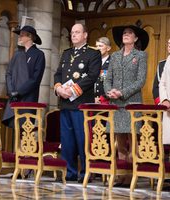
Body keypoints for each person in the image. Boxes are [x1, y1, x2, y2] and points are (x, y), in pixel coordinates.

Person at [54, 23, 101, 183]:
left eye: (77, 32)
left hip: (81, 103)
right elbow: (58, 74)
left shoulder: (93, 54)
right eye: (72, 32)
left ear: (85, 35)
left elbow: (92, 75)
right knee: (67, 140)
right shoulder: (66, 53)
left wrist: (72, 90)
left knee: (82, 139)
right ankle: (70, 172)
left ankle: (86, 172)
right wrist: (59, 89)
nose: (73, 35)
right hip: (65, 103)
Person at [104, 25, 149, 186]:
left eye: (130, 33)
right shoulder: (115, 56)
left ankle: (132, 176)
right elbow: (107, 78)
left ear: (136, 38)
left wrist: (121, 92)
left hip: (132, 103)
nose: (126, 35)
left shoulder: (141, 55)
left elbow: (140, 80)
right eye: (124, 33)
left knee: (133, 141)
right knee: (120, 143)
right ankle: (121, 176)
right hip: (116, 104)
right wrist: (109, 91)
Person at [2, 25, 45, 130]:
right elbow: (9, 74)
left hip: (28, 97)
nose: (19, 38)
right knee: (14, 128)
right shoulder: (17, 54)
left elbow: (35, 79)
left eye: (21, 35)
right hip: (14, 97)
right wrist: (11, 91)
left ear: (30, 37)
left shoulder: (38, 55)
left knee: (25, 130)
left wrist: (19, 92)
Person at [152, 38, 170, 105]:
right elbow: (158, 87)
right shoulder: (163, 64)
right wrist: (162, 102)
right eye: (168, 44)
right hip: (166, 107)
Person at [94, 37, 111, 104]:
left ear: (108, 48)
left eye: (100, 46)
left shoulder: (113, 62)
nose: (97, 48)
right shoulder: (92, 62)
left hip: (107, 101)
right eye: (96, 46)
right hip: (92, 100)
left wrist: (102, 98)